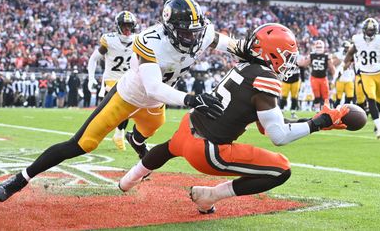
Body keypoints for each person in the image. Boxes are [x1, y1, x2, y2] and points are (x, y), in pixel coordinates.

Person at [0, 0, 239, 202]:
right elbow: (153, 87)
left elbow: (229, 44)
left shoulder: (201, 33)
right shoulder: (150, 41)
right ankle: (21, 178)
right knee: (82, 144)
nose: (192, 38)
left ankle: (136, 140)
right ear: (171, 28)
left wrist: (250, 50)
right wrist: (192, 99)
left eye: (195, 32)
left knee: (153, 127)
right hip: (128, 97)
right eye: (186, 32)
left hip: (154, 106)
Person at [118, 23, 349, 214]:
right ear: (273, 53)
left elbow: (267, 125)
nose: (289, 62)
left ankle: (127, 180)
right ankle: (210, 195)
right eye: (287, 56)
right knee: (281, 169)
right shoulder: (266, 79)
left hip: (187, 128)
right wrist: (319, 123)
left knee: (167, 149)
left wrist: (316, 119)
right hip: (208, 151)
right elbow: (277, 136)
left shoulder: (245, 66)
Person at [87, 11, 137, 151]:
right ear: (118, 26)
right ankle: (109, 134)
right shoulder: (109, 40)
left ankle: (119, 134)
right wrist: (91, 78)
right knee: (108, 112)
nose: (127, 29)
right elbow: (93, 58)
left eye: (129, 26)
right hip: (111, 80)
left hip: (128, 79)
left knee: (126, 109)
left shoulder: (138, 40)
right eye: (124, 26)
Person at [344, 18, 380, 139]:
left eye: (372, 30)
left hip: (379, 73)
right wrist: (344, 64)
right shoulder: (357, 40)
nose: (369, 32)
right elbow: (350, 53)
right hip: (365, 74)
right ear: (364, 30)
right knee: (371, 100)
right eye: (368, 30)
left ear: (376, 30)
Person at [300, 40, 335, 111]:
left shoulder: (326, 56)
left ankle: (324, 111)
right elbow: (304, 65)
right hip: (314, 78)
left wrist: (334, 76)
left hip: (323, 78)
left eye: (320, 46)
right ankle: (317, 111)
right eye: (317, 46)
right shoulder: (312, 55)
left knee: (325, 96)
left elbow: (331, 67)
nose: (319, 48)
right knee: (317, 96)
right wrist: (302, 61)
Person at [333, 41, 355, 107]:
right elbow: (334, 63)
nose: (346, 49)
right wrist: (342, 61)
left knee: (350, 96)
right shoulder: (338, 55)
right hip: (340, 78)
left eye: (348, 47)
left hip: (349, 78)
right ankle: (335, 112)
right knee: (338, 98)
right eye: (345, 47)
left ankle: (344, 110)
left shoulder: (352, 55)